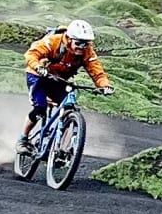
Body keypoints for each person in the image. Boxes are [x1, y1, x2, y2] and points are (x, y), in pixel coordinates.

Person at [18, 19, 114, 153]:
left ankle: (60, 149)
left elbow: (97, 72)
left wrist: (105, 86)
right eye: (78, 43)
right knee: (40, 108)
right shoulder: (54, 42)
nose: (82, 47)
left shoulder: (87, 52)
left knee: (69, 110)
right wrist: (38, 67)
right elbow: (31, 54)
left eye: (86, 44)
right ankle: (23, 140)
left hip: (59, 80)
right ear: (69, 38)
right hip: (38, 76)